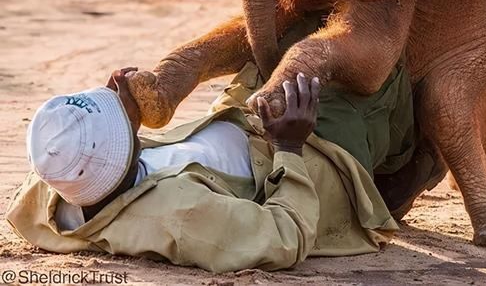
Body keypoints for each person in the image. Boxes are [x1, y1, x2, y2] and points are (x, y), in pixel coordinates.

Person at [7, 59, 444, 273]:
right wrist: (289, 145)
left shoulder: (54, 179)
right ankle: (395, 175)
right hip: (305, 149)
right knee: (383, 78)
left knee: (277, 33)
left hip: (238, 116)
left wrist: (113, 113)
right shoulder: (182, 216)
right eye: (119, 124)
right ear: (114, 159)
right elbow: (284, 237)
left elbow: (76, 145)